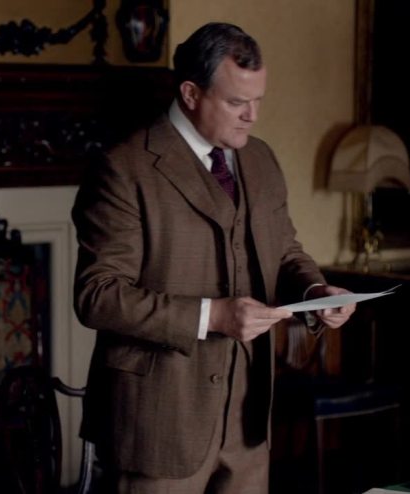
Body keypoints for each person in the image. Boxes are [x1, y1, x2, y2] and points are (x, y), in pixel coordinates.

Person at [71, 22, 356, 494]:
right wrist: (213, 316)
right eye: (237, 102)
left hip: (247, 421)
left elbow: (285, 250)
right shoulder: (123, 168)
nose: (252, 116)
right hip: (158, 422)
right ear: (190, 94)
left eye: (258, 100)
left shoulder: (261, 160)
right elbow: (97, 296)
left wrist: (315, 291)